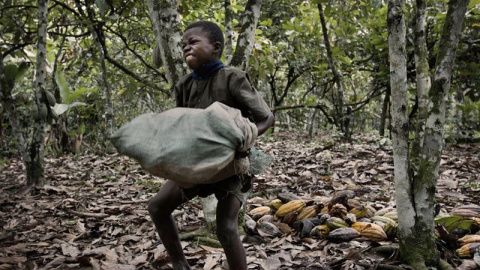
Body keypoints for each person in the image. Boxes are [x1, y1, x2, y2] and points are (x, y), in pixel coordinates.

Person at [147, 21, 274, 270]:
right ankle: (181, 265)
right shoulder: (184, 85)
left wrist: (244, 138)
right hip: (198, 164)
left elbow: (267, 117)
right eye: (183, 45)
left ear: (215, 48)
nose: (186, 48)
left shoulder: (232, 78)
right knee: (158, 207)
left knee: (226, 227)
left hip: (232, 167)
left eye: (193, 42)